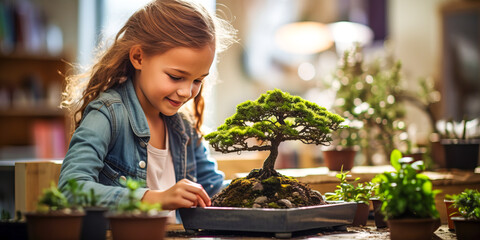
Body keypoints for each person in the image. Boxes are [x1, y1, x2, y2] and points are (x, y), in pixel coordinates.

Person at [58, 0, 236, 222]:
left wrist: (261, 188)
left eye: (197, 80)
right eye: (175, 77)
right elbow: (70, 190)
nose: (186, 92)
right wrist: (155, 198)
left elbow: (213, 188)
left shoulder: (184, 127)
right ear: (138, 58)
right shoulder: (108, 115)